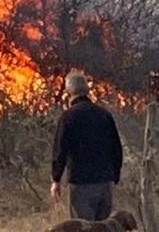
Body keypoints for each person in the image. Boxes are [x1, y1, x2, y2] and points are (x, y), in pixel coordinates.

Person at [51, 70, 124, 221]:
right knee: (103, 228)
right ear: (87, 90)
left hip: (81, 184)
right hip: (105, 183)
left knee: (83, 226)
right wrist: (115, 175)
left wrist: (56, 179)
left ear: (69, 91)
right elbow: (116, 148)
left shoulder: (68, 117)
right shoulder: (104, 115)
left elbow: (60, 151)